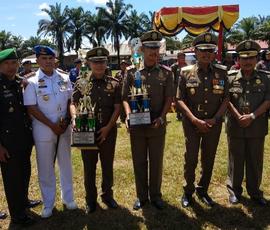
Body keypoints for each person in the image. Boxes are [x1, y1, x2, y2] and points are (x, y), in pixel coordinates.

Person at [23, 45, 77, 218]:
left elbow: (71, 100)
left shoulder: (64, 77)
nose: (47, 62)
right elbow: (31, 108)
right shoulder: (31, 81)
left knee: (66, 163)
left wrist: (68, 120)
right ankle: (48, 203)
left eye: (50, 58)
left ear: (55, 60)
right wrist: (51, 125)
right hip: (43, 130)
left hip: (64, 127)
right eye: (43, 58)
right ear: (37, 60)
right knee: (45, 167)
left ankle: (68, 198)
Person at [122, 30, 174, 210]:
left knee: (156, 161)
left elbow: (169, 98)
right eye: (150, 48)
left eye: (156, 48)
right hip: (137, 126)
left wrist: (162, 117)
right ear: (142, 49)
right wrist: (128, 115)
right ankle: (141, 196)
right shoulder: (131, 71)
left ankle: (156, 195)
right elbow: (124, 98)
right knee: (139, 161)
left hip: (156, 125)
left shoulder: (167, 73)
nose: (154, 52)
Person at [176, 32, 229, 208]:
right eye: (202, 50)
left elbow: (226, 99)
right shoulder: (185, 73)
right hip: (191, 124)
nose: (206, 54)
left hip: (213, 124)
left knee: (209, 158)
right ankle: (188, 191)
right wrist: (194, 119)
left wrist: (215, 119)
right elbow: (179, 99)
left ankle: (203, 189)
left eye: (210, 50)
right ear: (195, 51)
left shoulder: (222, 73)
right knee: (190, 158)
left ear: (214, 52)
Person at [70, 47, 121, 213]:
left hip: (108, 131)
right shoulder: (81, 82)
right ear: (89, 63)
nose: (99, 65)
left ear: (107, 63)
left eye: (102, 62)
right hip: (87, 131)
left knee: (107, 165)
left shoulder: (114, 84)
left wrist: (108, 128)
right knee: (89, 167)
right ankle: (90, 200)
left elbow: (117, 107)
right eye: (95, 62)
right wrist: (75, 117)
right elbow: (72, 103)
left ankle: (107, 196)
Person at [226, 40, 270, 206]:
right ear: (238, 59)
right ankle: (234, 191)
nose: (247, 61)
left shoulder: (266, 78)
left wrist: (252, 116)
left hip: (257, 126)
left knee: (255, 159)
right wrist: (238, 116)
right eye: (244, 58)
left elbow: (268, 100)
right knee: (235, 160)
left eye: (251, 58)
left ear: (256, 58)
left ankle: (254, 192)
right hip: (235, 125)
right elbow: (226, 99)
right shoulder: (230, 77)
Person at [0, 48, 37, 226]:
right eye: (6, 63)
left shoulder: (20, 82)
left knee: (24, 171)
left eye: (14, 63)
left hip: (23, 138)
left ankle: (23, 201)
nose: (11, 67)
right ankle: (17, 214)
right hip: (6, 142)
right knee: (12, 178)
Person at [170, 52, 187, 120]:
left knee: (184, 99)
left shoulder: (186, 66)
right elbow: (171, 77)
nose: (182, 59)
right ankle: (178, 114)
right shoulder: (174, 66)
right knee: (177, 100)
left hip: (185, 85)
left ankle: (184, 113)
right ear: (178, 58)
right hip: (176, 85)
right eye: (181, 57)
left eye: (183, 58)